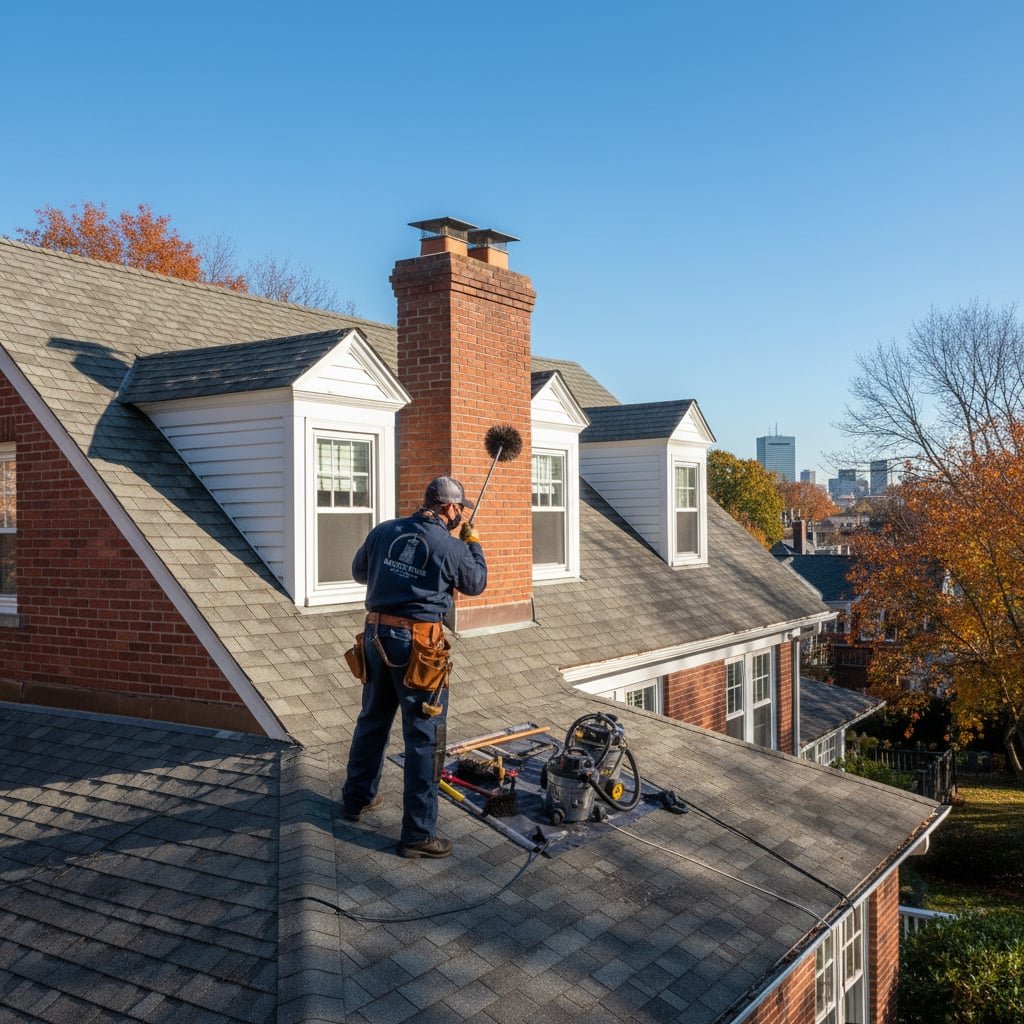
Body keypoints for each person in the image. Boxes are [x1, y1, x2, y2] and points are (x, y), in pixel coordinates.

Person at [341, 475, 487, 859]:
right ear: (451, 508)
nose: (460, 516)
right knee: (424, 737)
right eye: (460, 510)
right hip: (419, 647)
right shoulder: (451, 546)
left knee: (372, 719)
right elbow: (476, 583)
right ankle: (418, 834)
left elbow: (360, 573)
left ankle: (356, 799)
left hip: (375, 637)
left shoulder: (385, 530)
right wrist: (473, 544)